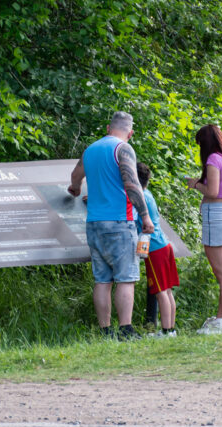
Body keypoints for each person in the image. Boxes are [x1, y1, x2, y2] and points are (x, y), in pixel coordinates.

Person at [68, 111, 154, 341]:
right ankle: (126, 330)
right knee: (126, 278)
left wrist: (75, 188)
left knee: (102, 279)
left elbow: (75, 176)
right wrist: (145, 217)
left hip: (94, 222)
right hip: (119, 222)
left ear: (108, 128)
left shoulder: (90, 150)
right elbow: (132, 184)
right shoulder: (123, 149)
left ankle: (105, 331)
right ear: (130, 133)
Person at [185, 124, 222, 335]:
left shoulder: (213, 160)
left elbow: (213, 191)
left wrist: (195, 184)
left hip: (217, 217)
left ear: (205, 143)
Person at [135, 162, 180, 338]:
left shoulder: (139, 197)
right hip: (164, 245)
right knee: (167, 290)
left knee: (161, 291)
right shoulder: (148, 194)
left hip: (154, 248)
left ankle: (166, 331)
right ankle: (171, 329)